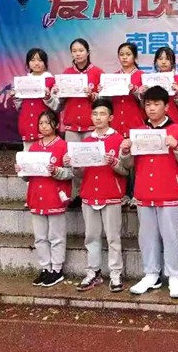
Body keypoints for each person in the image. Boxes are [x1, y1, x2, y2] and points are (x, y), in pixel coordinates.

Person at [122, 85, 178, 299]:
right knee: (147, 235)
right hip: (144, 192)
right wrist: (125, 151)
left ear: (166, 107)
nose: (151, 108)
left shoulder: (177, 131)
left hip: (169, 192)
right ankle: (151, 274)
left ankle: (174, 276)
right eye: (148, 104)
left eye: (156, 104)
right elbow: (128, 164)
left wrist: (177, 146)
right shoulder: (138, 132)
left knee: (171, 236)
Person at [66, 96, 129, 291]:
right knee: (91, 236)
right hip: (89, 194)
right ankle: (93, 272)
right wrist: (73, 164)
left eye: (102, 113)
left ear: (111, 117)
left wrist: (114, 163)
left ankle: (116, 274)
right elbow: (80, 173)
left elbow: (126, 171)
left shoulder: (119, 140)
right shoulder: (86, 141)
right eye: (95, 114)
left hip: (111, 194)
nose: (98, 117)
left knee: (113, 237)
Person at [22, 107, 72, 288]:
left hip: (55, 195)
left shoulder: (63, 146)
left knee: (56, 236)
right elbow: (27, 176)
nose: (43, 126)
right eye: (40, 123)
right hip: (37, 195)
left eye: (47, 123)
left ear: (56, 125)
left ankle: (57, 269)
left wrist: (56, 171)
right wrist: (22, 170)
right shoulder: (34, 147)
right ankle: (45, 267)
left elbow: (70, 173)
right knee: (40, 237)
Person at [53, 38, 103, 146]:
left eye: (81, 50)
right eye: (74, 51)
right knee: (71, 155)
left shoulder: (98, 73)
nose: (78, 54)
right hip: (71, 125)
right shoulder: (66, 73)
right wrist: (58, 92)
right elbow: (59, 104)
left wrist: (92, 95)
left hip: (91, 124)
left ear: (88, 52)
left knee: (91, 154)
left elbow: (105, 101)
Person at [13, 48, 56, 148]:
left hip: (45, 125)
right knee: (28, 152)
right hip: (27, 123)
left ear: (45, 62)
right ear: (28, 63)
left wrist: (48, 96)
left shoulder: (51, 81)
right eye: (32, 60)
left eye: (40, 60)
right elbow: (19, 106)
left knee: (46, 152)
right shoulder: (23, 81)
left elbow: (57, 106)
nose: (36, 63)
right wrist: (15, 96)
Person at [101, 42, 145, 139]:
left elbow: (146, 102)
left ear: (135, 57)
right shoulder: (112, 78)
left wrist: (135, 90)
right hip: (115, 124)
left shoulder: (143, 76)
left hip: (135, 123)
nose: (124, 57)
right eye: (121, 54)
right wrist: (103, 92)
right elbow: (106, 102)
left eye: (128, 54)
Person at [147, 46, 178, 129]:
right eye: (160, 59)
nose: (163, 62)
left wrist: (177, 94)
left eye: (167, 59)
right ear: (156, 61)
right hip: (154, 122)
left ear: (172, 62)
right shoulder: (150, 80)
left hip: (175, 121)